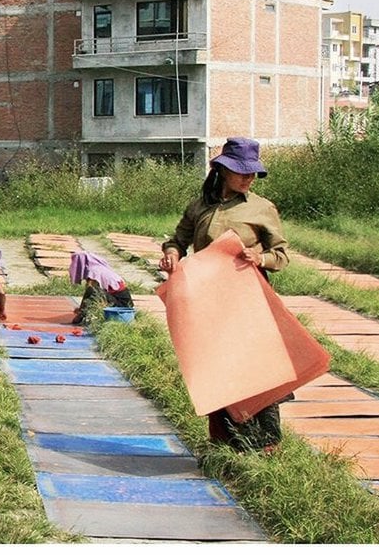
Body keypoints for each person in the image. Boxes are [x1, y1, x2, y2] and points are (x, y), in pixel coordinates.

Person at [159, 137, 290, 453]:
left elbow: (281, 255)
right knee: (219, 367)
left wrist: (260, 258)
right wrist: (172, 255)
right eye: (240, 171)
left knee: (256, 368)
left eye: (252, 173)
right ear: (221, 169)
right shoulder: (199, 207)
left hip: (249, 300)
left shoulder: (262, 209)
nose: (247, 178)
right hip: (209, 300)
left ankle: (265, 444)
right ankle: (225, 442)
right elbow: (177, 240)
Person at [69, 251, 134, 325]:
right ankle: (83, 313)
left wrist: (81, 312)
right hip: (120, 300)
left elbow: (90, 292)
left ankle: (82, 316)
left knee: (92, 291)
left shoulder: (93, 272)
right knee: (94, 292)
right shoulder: (99, 267)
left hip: (122, 305)